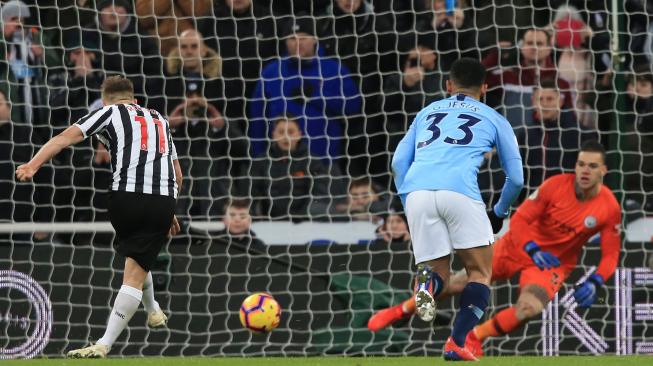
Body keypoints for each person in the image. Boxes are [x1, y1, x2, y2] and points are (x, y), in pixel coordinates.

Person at [370, 140, 621, 360]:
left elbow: (610, 254)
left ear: (604, 171)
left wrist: (596, 282)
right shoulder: (555, 186)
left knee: (528, 309)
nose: (584, 171)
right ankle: (401, 310)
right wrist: (532, 248)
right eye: (581, 164)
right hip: (516, 246)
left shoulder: (609, 207)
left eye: (592, 166)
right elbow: (521, 219)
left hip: (552, 264)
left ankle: (475, 336)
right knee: (454, 285)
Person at [15, 76, 182, 358]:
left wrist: (33, 165)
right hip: (164, 199)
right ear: (135, 99)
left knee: (134, 266)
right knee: (139, 257)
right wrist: (171, 210)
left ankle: (105, 343)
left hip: (126, 197)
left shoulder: (107, 112)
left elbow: (63, 138)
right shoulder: (160, 120)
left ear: (106, 100)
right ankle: (152, 309)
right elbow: (177, 173)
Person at [391, 58, 523, 361]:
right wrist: (499, 212)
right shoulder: (494, 118)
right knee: (479, 271)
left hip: (418, 193)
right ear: (485, 88)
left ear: (448, 86)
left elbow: (398, 163)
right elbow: (516, 178)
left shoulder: (426, 112)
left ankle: (426, 285)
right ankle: (457, 342)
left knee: (439, 273)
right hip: (460, 192)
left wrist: (407, 199)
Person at [249, 15, 361, 161]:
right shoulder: (271, 72)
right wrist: (258, 157)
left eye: (303, 38)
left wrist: (316, 96)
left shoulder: (334, 70)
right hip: (279, 161)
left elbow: (353, 107)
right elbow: (257, 117)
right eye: (292, 39)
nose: (297, 44)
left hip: (325, 159)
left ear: (314, 39)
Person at [249, 115, 344, 221]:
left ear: (299, 134)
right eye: (281, 132)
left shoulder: (312, 160)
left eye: (290, 132)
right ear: (274, 135)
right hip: (271, 220)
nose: (286, 137)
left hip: (305, 219)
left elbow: (320, 194)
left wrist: (300, 216)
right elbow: (252, 194)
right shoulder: (261, 161)